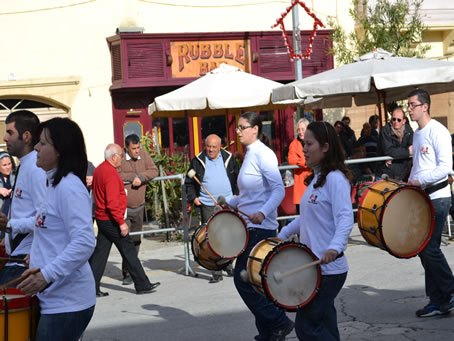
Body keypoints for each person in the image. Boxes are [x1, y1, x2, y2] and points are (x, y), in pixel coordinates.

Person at [16, 117, 96, 341]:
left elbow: (84, 242)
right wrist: (37, 257)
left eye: (42, 143)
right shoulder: (53, 183)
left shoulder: (69, 187)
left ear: (59, 151)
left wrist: (46, 274)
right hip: (54, 299)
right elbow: (53, 231)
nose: (36, 148)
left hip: (67, 302)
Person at [279, 121, 354, 340]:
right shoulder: (316, 180)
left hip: (330, 270)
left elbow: (345, 217)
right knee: (325, 323)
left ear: (325, 147)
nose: (304, 149)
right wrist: (281, 236)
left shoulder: (336, 180)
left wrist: (335, 247)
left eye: (309, 144)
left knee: (307, 326)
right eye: (304, 143)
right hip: (315, 268)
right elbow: (306, 218)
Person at [228, 111, 294, 341]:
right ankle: (269, 333)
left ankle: (279, 322)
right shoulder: (249, 154)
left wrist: (263, 212)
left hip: (262, 228)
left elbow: (277, 190)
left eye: (242, 127)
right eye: (238, 127)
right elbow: (249, 195)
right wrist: (229, 202)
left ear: (255, 129)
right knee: (257, 283)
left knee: (243, 279)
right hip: (250, 227)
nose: (238, 131)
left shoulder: (264, 155)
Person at [407, 88, 454, 317]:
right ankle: (438, 300)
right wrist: (406, 184)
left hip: (438, 196)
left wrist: (419, 181)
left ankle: (449, 291)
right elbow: (419, 166)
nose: (409, 109)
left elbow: (445, 168)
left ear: (424, 106)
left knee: (427, 248)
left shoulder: (439, 131)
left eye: (412, 105)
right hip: (423, 197)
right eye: (408, 105)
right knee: (426, 248)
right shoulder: (417, 134)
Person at [89, 143, 160, 296]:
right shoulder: (110, 173)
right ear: (113, 157)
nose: (122, 158)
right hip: (111, 220)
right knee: (128, 250)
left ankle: (90, 288)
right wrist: (121, 223)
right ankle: (142, 284)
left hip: (102, 218)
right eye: (120, 155)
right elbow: (112, 203)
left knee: (100, 254)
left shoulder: (100, 169)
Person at [0, 110, 46, 285]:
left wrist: (10, 225)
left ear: (26, 137)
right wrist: (8, 239)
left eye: (10, 132)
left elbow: (46, 218)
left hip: (26, 260)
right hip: (17, 256)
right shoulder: (25, 165)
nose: (4, 138)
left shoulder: (36, 168)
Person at [185, 134, 239, 283]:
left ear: (220, 146)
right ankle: (216, 271)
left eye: (214, 147)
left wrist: (236, 194)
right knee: (212, 238)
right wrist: (194, 198)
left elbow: (238, 177)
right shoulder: (197, 160)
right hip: (207, 204)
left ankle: (227, 265)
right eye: (208, 146)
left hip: (227, 202)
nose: (211, 150)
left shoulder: (229, 157)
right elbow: (188, 182)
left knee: (228, 236)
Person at [118, 134, 159, 285]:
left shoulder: (143, 155)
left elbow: (154, 170)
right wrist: (132, 176)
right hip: (125, 208)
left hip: (139, 206)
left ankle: (132, 269)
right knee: (126, 240)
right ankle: (127, 272)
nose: (137, 151)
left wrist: (141, 177)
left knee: (136, 240)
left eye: (138, 148)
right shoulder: (120, 157)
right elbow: (116, 173)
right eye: (133, 149)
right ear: (126, 148)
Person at [376, 107, 413, 180]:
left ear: (404, 121)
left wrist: (393, 156)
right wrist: (407, 151)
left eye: (399, 120)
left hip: (401, 173)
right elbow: (388, 150)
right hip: (385, 173)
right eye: (394, 119)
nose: (396, 121)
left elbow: (413, 148)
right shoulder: (386, 130)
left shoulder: (408, 130)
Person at [288, 118, 311, 213]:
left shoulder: (313, 142)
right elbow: (291, 160)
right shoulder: (294, 144)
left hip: (313, 180)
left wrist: (303, 161)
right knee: (302, 215)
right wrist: (305, 162)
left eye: (303, 129)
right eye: (298, 129)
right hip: (301, 182)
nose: (300, 132)